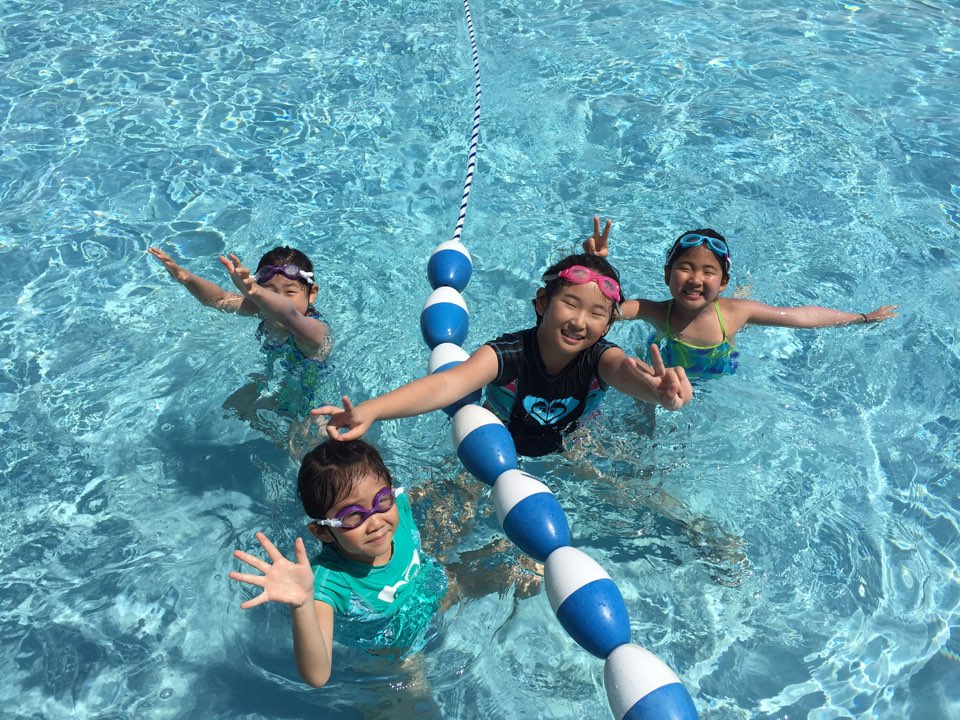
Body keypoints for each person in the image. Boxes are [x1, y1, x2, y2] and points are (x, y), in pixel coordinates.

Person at [313, 251, 692, 457]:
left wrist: (659, 393)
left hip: (574, 442)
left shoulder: (602, 359)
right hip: (499, 440)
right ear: (542, 302)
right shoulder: (508, 354)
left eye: (596, 313)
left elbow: (628, 374)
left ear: (608, 325)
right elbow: (446, 384)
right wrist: (371, 410)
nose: (580, 322)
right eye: (570, 304)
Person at [228, 439, 449, 688]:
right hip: (396, 648)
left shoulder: (398, 508)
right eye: (352, 515)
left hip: (430, 590)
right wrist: (302, 604)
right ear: (322, 532)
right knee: (417, 695)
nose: (376, 522)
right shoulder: (329, 583)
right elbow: (317, 676)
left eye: (382, 500)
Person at [583, 217, 898, 376]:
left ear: (722, 284)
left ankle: (743, 287)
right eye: (685, 268)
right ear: (667, 275)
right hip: (670, 373)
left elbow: (802, 317)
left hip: (721, 369)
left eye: (708, 272)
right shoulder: (654, 311)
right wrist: (594, 265)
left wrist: (862, 318)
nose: (695, 279)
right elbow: (604, 309)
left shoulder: (736, 313)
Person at [147, 245, 333, 417]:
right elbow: (220, 299)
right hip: (279, 384)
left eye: (290, 292)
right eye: (270, 291)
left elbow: (288, 314)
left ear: (312, 293)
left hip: (312, 402)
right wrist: (187, 278)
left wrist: (257, 292)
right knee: (233, 406)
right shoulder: (263, 310)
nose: (278, 299)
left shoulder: (315, 331)